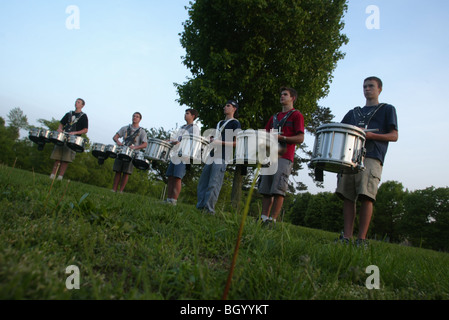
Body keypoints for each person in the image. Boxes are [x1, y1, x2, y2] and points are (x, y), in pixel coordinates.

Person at [336, 76, 398, 246]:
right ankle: (346, 237)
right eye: (364, 86)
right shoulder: (353, 113)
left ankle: (361, 240)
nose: (367, 89)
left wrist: (370, 135)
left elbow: (394, 136)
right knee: (348, 196)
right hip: (349, 158)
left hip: (372, 155)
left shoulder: (387, 109)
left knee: (366, 196)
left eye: (371, 86)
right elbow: (340, 133)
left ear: (380, 89)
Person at [258, 87, 305, 227]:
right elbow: (264, 136)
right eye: (281, 94)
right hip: (270, 156)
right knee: (266, 189)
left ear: (293, 98)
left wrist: (281, 137)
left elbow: (301, 138)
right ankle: (263, 218)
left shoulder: (297, 115)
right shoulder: (274, 117)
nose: (282, 96)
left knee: (278, 189)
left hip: (285, 156)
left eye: (285, 94)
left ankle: (272, 220)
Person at [196, 100, 241, 214]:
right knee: (203, 181)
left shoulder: (235, 123)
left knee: (214, 183)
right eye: (225, 105)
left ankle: (209, 209)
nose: (225, 107)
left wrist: (220, 142)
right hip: (212, 154)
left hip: (223, 155)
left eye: (228, 106)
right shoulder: (220, 123)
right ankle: (200, 206)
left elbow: (237, 143)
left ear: (234, 109)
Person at [164, 108, 200, 205]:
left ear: (193, 116)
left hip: (184, 155)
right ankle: (168, 199)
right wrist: (170, 141)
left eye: (187, 113)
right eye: (185, 113)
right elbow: (176, 139)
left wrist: (189, 155)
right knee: (171, 177)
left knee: (177, 177)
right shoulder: (182, 127)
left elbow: (194, 142)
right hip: (175, 154)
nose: (185, 115)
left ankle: (174, 200)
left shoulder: (195, 128)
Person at [49, 98, 88, 181]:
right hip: (63, 136)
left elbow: (85, 129)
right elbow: (61, 123)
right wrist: (59, 129)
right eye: (76, 102)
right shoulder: (69, 114)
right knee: (57, 157)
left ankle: (60, 177)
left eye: (79, 102)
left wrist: (75, 132)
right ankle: (52, 175)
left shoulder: (83, 116)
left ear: (82, 105)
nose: (76, 103)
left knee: (66, 159)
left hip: (73, 139)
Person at [112, 112, 148, 193]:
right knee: (117, 171)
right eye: (134, 116)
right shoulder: (125, 128)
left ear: (140, 119)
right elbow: (115, 137)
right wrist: (118, 142)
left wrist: (135, 147)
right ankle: (114, 189)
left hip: (132, 154)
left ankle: (121, 191)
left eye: (137, 117)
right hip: (122, 151)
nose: (135, 118)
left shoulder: (142, 131)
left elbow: (145, 144)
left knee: (126, 172)